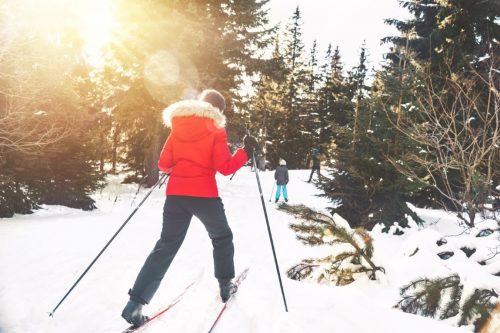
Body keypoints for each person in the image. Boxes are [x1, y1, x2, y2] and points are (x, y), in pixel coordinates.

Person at [121, 89, 259, 327]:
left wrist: (182, 166)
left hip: (176, 197)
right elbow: (225, 167)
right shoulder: (216, 128)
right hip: (204, 195)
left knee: (165, 246)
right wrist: (246, 151)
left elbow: (164, 164)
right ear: (218, 110)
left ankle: (135, 304)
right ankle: (226, 286)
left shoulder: (178, 124)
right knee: (222, 237)